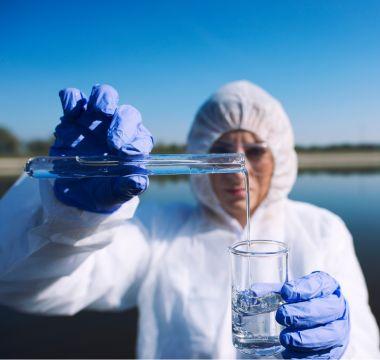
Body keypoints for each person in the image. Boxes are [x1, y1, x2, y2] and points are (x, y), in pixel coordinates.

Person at [0, 81, 379, 359]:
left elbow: (365, 344)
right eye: (222, 151)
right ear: (201, 157)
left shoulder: (322, 229)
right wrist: (72, 217)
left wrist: (340, 350)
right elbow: (24, 286)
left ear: (280, 156)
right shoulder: (160, 231)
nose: (237, 167)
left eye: (256, 151)